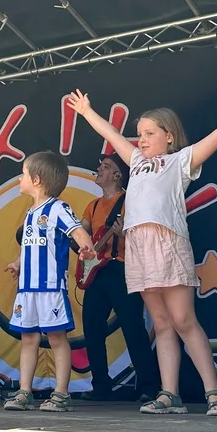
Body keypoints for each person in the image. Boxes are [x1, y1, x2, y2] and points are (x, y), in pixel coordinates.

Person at [67, 89, 217, 415]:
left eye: (149, 133)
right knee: (161, 321)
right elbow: (111, 134)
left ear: (169, 136)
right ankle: (170, 394)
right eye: (140, 134)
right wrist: (86, 112)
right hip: (138, 248)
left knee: (183, 319)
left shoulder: (180, 161)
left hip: (167, 242)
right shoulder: (136, 161)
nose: (142, 140)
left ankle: (215, 392)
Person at [2, 151, 96, 413]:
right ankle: (24, 391)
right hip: (27, 289)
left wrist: (86, 246)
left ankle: (61, 393)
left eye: (23, 174)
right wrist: (18, 263)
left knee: (56, 337)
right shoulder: (30, 213)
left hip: (50, 287)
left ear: (36, 180)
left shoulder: (58, 208)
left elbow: (77, 230)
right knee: (28, 338)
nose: (19, 179)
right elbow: (30, 245)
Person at [74, 153, 158, 401]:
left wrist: (124, 235)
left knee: (133, 328)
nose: (99, 169)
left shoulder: (130, 202)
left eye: (106, 166)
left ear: (118, 175)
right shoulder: (93, 206)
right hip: (97, 273)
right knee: (92, 328)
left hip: (122, 269)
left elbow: (145, 237)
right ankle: (101, 386)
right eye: (100, 166)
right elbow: (81, 235)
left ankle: (149, 387)